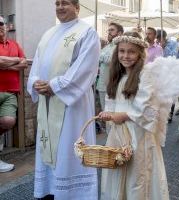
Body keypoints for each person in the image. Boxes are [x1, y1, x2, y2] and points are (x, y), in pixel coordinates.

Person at [100, 31, 179, 200]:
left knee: (137, 175)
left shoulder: (145, 75)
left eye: (131, 52)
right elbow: (110, 100)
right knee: (118, 172)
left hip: (137, 135)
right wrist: (108, 113)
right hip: (118, 134)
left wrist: (123, 115)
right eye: (122, 51)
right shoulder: (116, 75)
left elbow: (147, 107)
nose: (125, 56)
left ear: (140, 54)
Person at [27, 0, 100, 199]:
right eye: (57, 3)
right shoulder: (48, 34)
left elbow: (86, 68)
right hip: (48, 101)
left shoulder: (87, 33)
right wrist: (35, 82)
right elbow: (37, 64)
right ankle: (51, 190)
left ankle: (75, 193)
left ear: (77, 7)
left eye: (65, 3)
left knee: (69, 146)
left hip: (72, 104)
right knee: (49, 145)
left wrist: (55, 85)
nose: (60, 7)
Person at [0, 16, 27, 173]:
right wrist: (14, 60)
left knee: (8, 121)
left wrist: (5, 63)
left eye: (1, 23)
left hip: (10, 93)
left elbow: (23, 63)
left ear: (7, 26)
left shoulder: (15, 44)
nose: (0, 26)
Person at [96, 22, 123, 113]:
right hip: (102, 85)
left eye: (112, 30)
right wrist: (101, 56)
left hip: (113, 86)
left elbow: (110, 59)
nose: (109, 32)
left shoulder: (120, 46)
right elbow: (98, 58)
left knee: (112, 114)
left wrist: (101, 56)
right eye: (109, 30)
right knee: (105, 113)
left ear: (119, 33)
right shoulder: (108, 46)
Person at [156, 29, 178, 123]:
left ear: (164, 37)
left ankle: (170, 113)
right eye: (157, 38)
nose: (158, 39)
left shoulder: (173, 43)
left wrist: (165, 47)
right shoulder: (155, 44)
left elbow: (174, 55)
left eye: (159, 37)